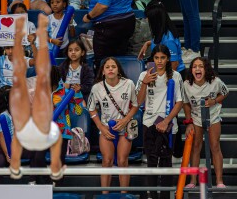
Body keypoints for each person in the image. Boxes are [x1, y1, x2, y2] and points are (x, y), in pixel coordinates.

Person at [9, 14, 63, 180]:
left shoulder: (63, 92)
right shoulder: (31, 87)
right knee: (36, 155)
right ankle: (36, 185)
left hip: (56, 132)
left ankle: (54, 186)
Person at [136, 44, 184, 199]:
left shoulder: (176, 76)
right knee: (151, 161)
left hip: (169, 125)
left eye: (162, 58)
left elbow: (179, 102)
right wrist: (144, 82)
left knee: (166, 162)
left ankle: (164, 196)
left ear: (168, 58)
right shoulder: (145, 74)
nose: (159, 61)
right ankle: (153, 196)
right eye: (156, 58)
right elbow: (138, 101)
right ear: (153, 58)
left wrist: (166, 121)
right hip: (149, 122)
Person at [87, 57, 139, 194]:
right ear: (103, 71)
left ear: (118, 70)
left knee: (122, 161)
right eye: (107, 67)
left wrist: (125, 120)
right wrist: (101, 127)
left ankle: (124, 195)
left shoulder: (129, 84)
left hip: (125, 127)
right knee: (107, 161)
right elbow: (91, 109)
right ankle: (105, 195)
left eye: (113, 67)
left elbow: (135, 105)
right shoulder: (96, 88)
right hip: (106, 128)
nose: (110, 69)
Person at [184, 57, 229, 188]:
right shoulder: (187, 84)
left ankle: (219, 181)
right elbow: (186, 103)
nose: (197, 69)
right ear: (191, 70)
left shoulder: (216, 82)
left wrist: (214, 101)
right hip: (196, 117)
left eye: (201, 66)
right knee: (196, 147)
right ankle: (193, 181)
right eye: (194, 66)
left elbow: (225, 92)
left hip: (213, 117)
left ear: (206, 69)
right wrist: (189, 121)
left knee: (215, 146)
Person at [0, 86, 34, 184]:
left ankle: (33, 180)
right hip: (4, 148)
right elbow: (2, 138)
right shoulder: (3, 116)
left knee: (35, 153)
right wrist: (8, 154)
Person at [59, 39, 94, 104]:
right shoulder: (63, 66)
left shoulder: (87, 69)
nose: (73, 52)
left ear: (82, 52)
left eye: (76, 50)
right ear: (67, 52)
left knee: (83, 105)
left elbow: (89, 86)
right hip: (64, 95)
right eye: (70, 50)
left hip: (80, 96)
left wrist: (80, 88)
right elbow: (58, 81)